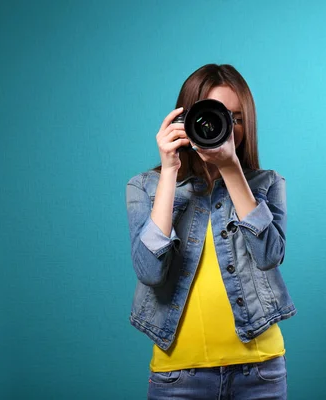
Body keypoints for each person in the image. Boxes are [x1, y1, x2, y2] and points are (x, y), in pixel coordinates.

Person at [125, 64, 297, 400]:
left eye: (237, 118)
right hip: (178, 376)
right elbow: (149, 271)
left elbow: (269, 257)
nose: (228, 128)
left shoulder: (267, 184)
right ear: (186, 119)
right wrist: (170, 172)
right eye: (216, 115)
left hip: (259, 371)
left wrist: (230, 167)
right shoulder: (144, 187)